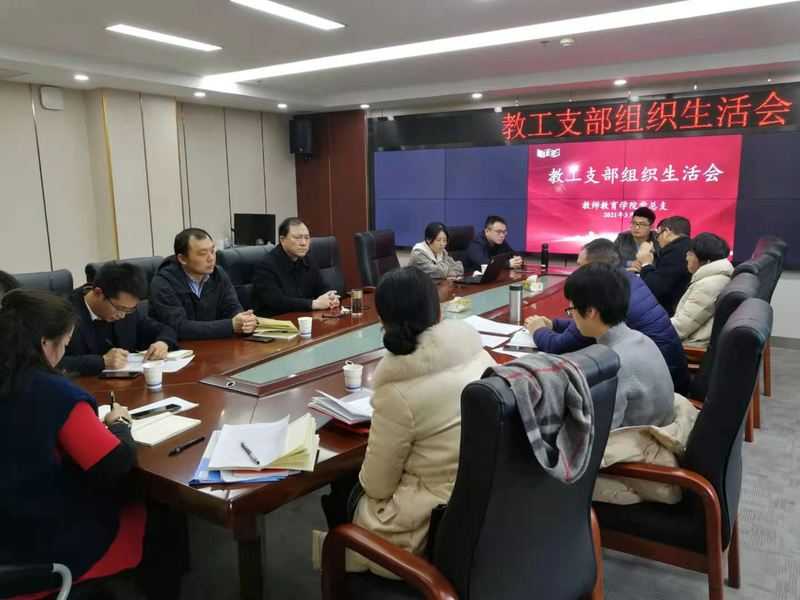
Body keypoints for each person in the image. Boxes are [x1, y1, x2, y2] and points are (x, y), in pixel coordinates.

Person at [318, 267, 496, 577]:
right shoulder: (480, 356)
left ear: (383, 322)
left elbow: (376, 485)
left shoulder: (397, 392)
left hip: (426, 530)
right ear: (438, 312)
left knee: (345, 487)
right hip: (483, 516)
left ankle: (345, 575)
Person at [0, 289, 145, 596]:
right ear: (44, 344)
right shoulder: (56, 395)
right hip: (35, 545)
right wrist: (119, 424)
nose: (64, 350)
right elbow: (115, 462)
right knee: (143, 505)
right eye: (65, 343)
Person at [525, 238, 690, 394]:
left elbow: (559, 347)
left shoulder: (603, 295)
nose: (577, 272)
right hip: (668, 376)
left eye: (581, 266)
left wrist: (538, 330)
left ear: (596, 269)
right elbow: (586, 324)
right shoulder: (626, 280)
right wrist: (554, 325)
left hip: (658, 389)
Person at [563, 262, 674, 429]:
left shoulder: (612, 363)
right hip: (662, 430)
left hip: (637, 442)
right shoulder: (640, 338)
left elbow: (601, 432)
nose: (571, 316)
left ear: (591, 311)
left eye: (571, 310)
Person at [60, 262, 178, 376]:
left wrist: (163, 343)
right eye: (119, 309)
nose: (123, 315)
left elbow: (164, 330)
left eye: (130, 309)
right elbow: (53, 363)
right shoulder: (62, 313)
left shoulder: (127, 310)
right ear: (98, 293)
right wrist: (101, 362)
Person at [149, 227, 258, 340]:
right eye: (203, 254)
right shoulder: (164, 282)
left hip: (214, 344)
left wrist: (245, 321)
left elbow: (232, 307)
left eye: (212, 251)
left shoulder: (218, 274)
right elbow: (178, 327)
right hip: (178, 348)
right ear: (182, 259)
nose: (211, 258)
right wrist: (230, 326)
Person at [251, 217, 340, 317]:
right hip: (276, 321)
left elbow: (321, 287)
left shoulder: (309, 260)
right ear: (282, 240)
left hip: (304, 317)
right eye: (298, 238)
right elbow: (275, 301)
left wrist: (331, 297)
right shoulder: (266, 265)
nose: (303, 243)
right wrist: (313, 304)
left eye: (307, 238)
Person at [671, 233, 733, 347]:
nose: (687, 258)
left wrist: (649, 330)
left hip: (691, 346)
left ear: (706, 260)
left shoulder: (708, 285)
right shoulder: (717, 277)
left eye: (691, 254)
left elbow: (681, 326)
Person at [634, 215, 693, 316]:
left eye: (658, 235)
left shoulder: (675, 251)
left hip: (670, 314)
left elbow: (655, 289)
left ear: (667, 232)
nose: (658, 239)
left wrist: (646, 263)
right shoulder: (687, 246)